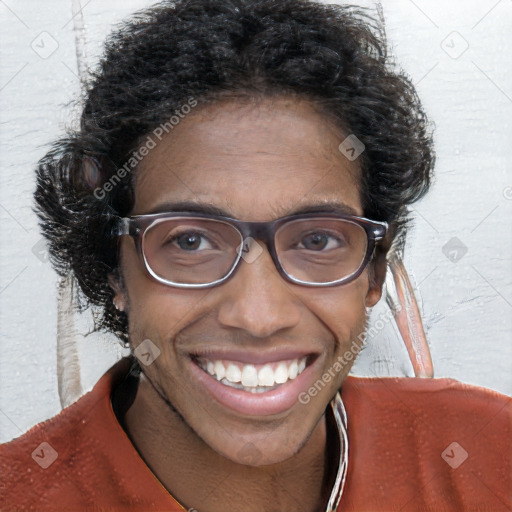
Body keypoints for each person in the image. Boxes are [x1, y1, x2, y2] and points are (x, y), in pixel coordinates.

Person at [1, 1, 510, 511]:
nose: (258, 317)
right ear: (115, 267)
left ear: (374, 269)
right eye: (190, 241)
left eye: (317, 240)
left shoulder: (491, 455)